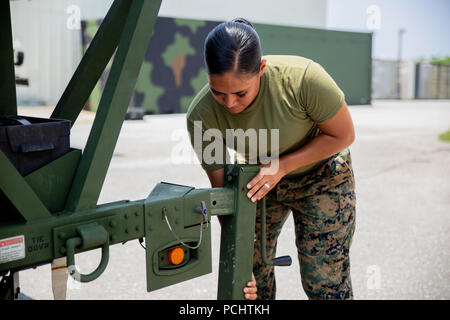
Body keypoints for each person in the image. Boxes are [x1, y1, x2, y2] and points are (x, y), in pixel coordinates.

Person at [186, 18, 356, 300]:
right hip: (259, 181)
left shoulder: (304, 79)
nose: (230, 104)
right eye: (218, 92)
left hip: (322, 175)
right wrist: (239, 257)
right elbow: (224, 195)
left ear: (261, 69)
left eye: (240, 93)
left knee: (324, 281)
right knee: (248, 283)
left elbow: (343, 135)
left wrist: (283, 166)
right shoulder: (200, 117)